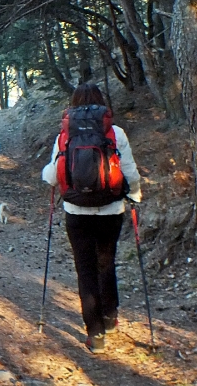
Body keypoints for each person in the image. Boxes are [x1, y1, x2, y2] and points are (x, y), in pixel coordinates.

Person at [41, 84, 142, 353]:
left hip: (76, 212)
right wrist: (135, 195)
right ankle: (109, 317)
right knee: (106, 263)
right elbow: (129, 171)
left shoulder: (65, 135)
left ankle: (95, 334)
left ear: (73, 106)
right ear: (101, 106)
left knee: (85, 270)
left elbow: (52, 176)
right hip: (111, 209)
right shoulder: (116, 133)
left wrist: (47, 174)